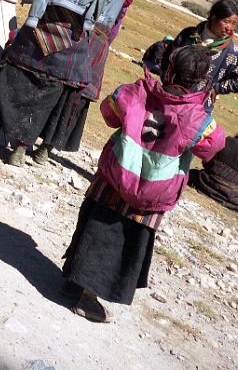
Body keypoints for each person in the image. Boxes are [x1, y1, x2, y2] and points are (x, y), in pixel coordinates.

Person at [61, 45, 226, 323]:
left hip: (113, 182)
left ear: (169, 69)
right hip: (151, 195)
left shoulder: (136, 92)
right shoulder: (197, 118)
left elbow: (109, 112)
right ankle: (87, 298)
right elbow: (213, 148)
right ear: (201, 82)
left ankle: (74, 283)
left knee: (94, 226)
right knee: (123, 243)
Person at [0, 0, 129, 166]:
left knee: (7, 80)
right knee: (55, 97)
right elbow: (104, 17)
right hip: (66, 52)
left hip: (31, 43)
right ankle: (20, 151)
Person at [32, 0, 135, 165]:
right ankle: (45, 149)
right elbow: (113, 32)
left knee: (57, 88)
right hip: (97, 46)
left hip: (79, 36)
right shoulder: (122, 0)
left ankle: (31, 140)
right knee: (73, 99)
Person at [169, 0, 238, 95]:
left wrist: (218, 89)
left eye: (233, 24)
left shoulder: (231, 52)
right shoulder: (188, 34)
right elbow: (170, 58)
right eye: (226, 21)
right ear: (214, 17)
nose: (229, 28)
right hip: (171, 96)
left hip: (199, 105)